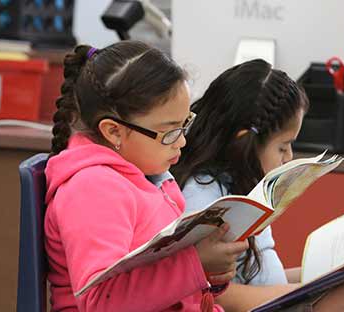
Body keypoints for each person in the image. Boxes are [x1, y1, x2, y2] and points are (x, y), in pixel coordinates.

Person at [172, 59, 344, 312]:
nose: (289, 157)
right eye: (282, 146)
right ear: (245, 142)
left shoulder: (245, 185)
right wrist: (308, 291)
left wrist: (340, 272)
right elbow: (215, 295)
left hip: (271, 300)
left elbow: (264, 280)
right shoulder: (204, 197)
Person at [44, 40, 248, 312]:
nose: (182, 142)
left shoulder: (148, 175)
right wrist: (195, 264)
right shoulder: (93, 188)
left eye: (185, 124)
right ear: (113, 131)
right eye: (170, 131)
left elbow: (160, 277)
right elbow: (100, 302)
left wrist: (209, 275)